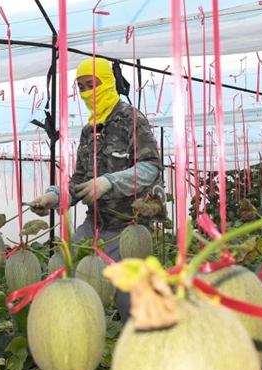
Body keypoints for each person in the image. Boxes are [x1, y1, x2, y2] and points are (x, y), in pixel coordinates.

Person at [28, 57, 165, 321]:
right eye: (81, 87)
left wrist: (109, 183)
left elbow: (151, 167)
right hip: (94, 226)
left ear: (107, 82)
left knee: (130, 304)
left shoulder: (131, 119)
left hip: (128, 229)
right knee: (64, 276)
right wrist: (54, 197)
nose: (86, 92)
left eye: (92, 84)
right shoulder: (89, 131)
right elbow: (79, 179)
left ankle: (137, 347)